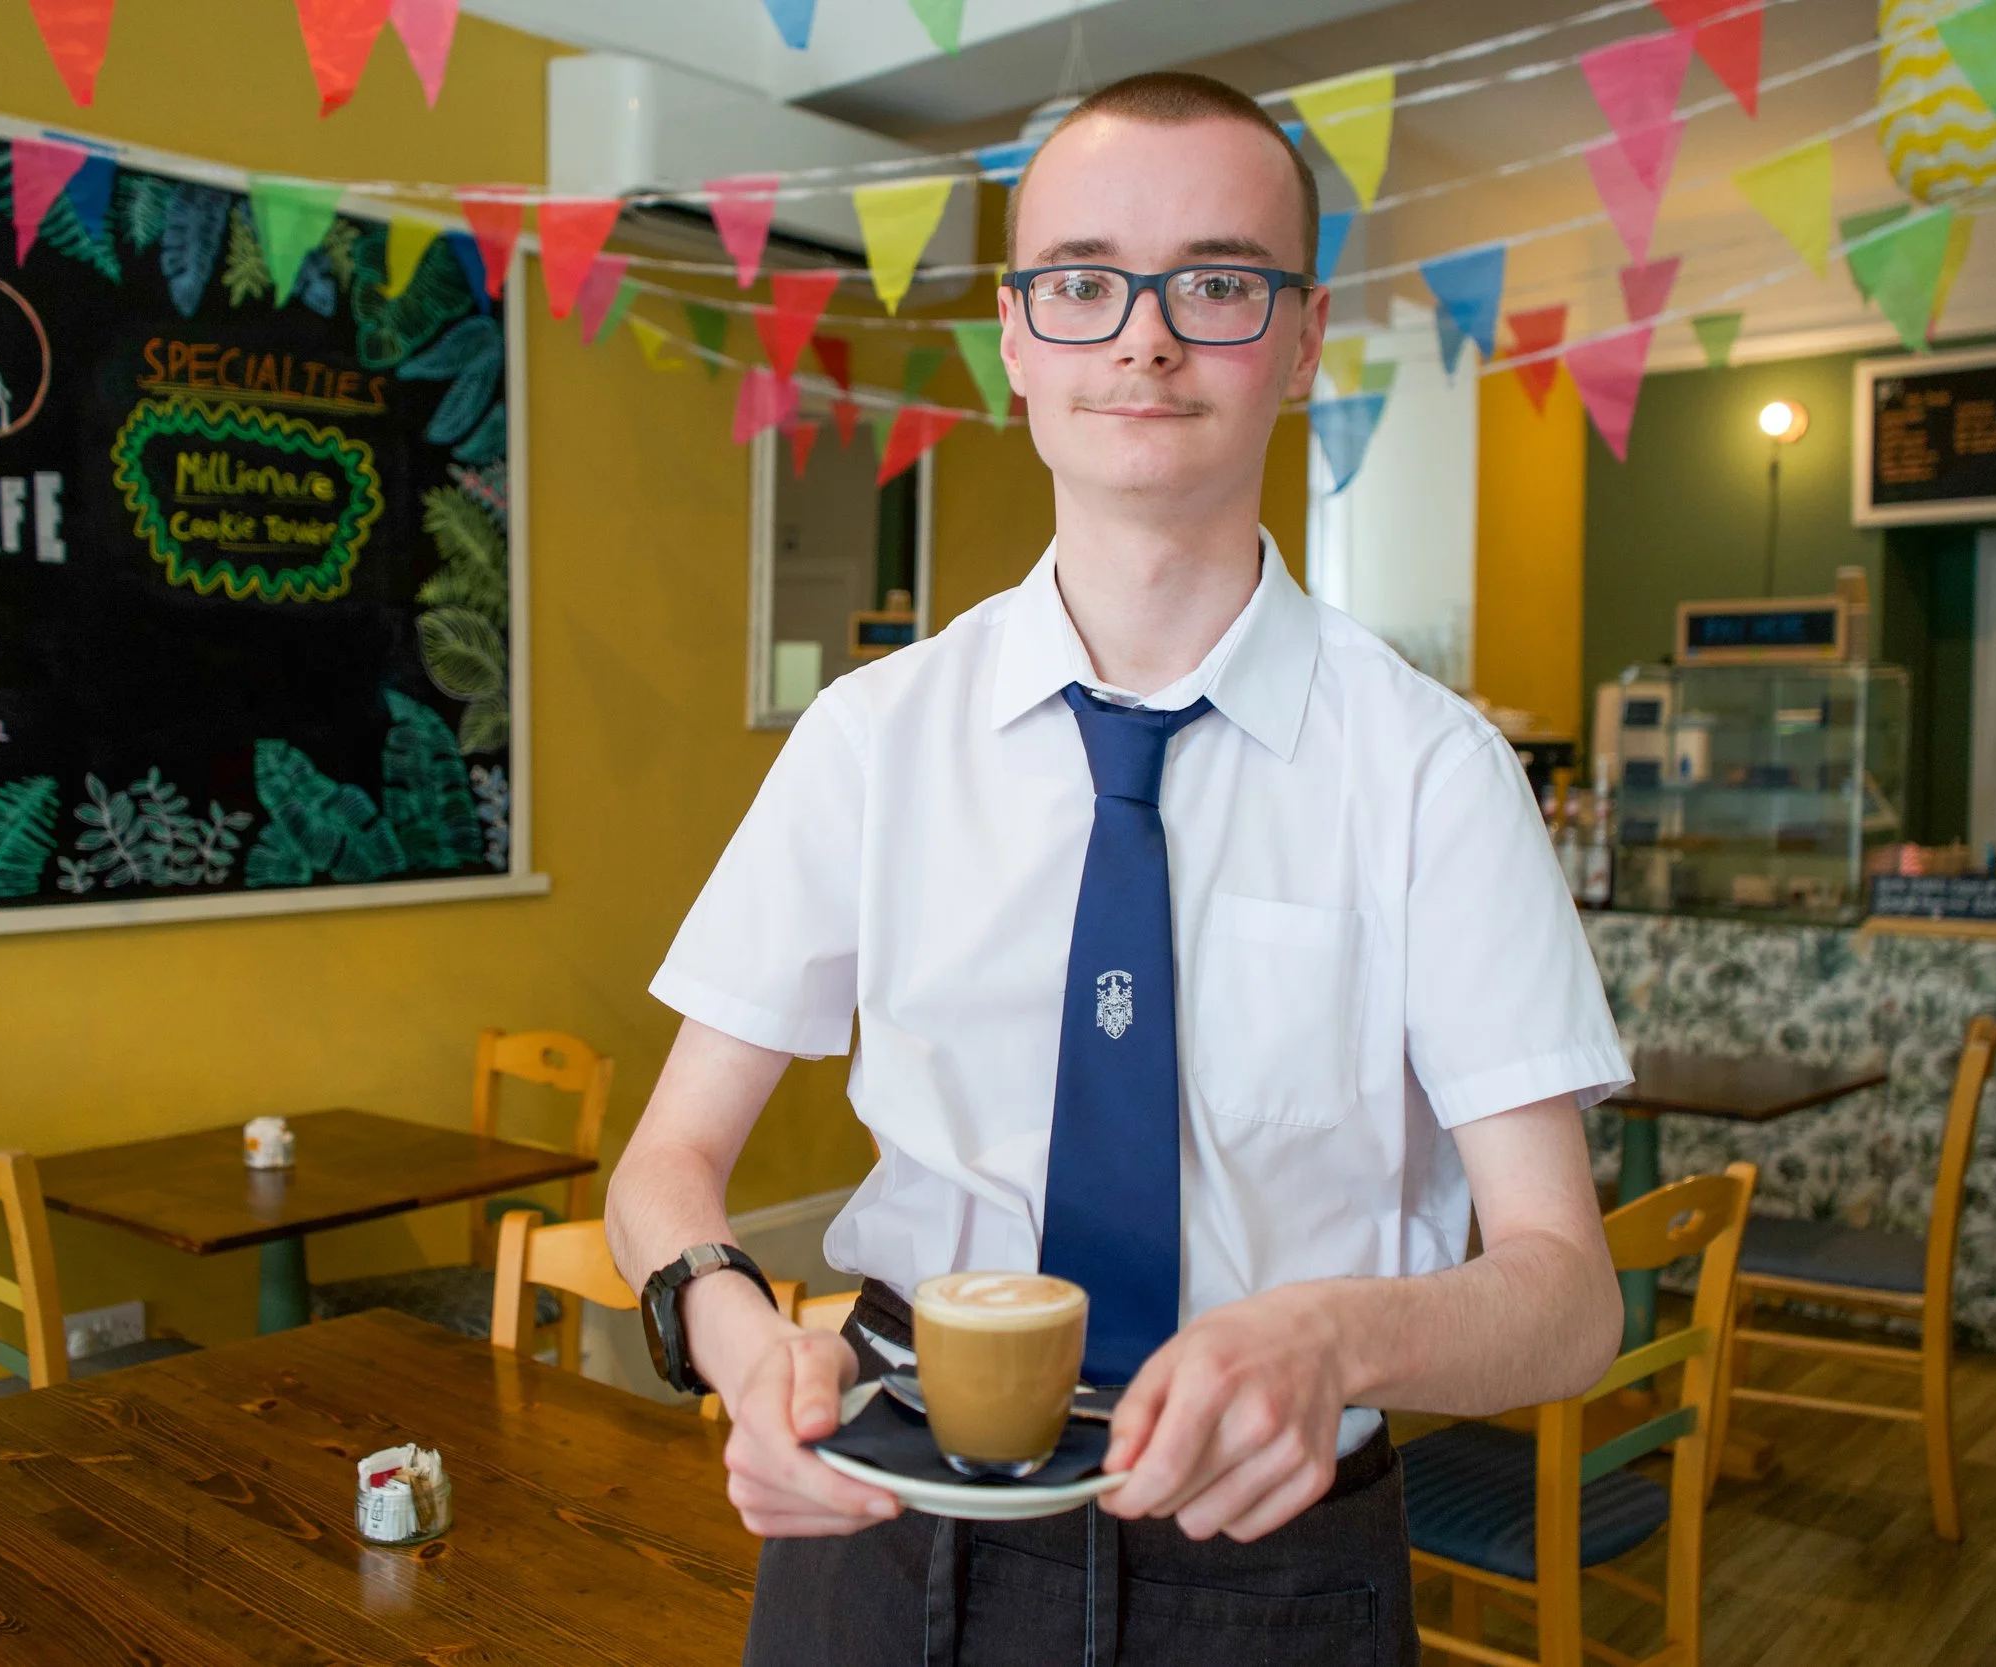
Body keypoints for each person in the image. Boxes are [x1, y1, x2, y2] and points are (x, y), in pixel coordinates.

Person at [607, 70, 1629, 1667]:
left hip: (1267, 1552)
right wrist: (739, 1346)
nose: (1144, 339)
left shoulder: (1434, 771)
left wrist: (1341, 1333)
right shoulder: (874, 736)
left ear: (1302, 339)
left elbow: (1567, 1296)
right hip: (883, 1522)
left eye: (1215, 283)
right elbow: (665, 1165)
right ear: (1015, 340)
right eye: (1083, 283)